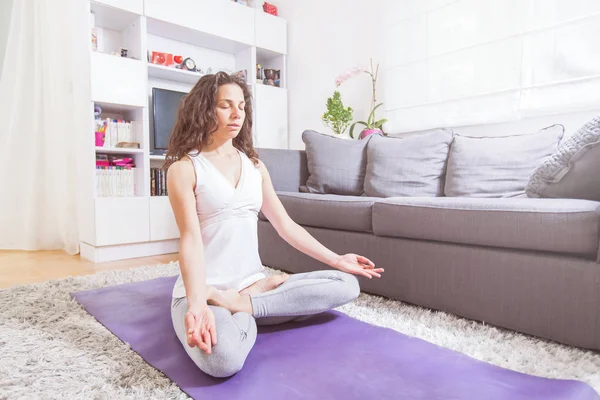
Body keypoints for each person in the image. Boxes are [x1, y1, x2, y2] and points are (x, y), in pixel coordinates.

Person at [165, 71, 384, 378]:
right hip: (206, 291)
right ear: (204, 109)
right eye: (225, 105)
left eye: (241, 106)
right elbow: (190, 240)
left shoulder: (255, 166)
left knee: (346, 283)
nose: (237, 113)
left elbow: (285, 226)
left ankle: (243, 305)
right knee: (222, 361)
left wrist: (337, 259)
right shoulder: (184, 168)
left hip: (253, 287)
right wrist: (198, 304)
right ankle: (248, 308)